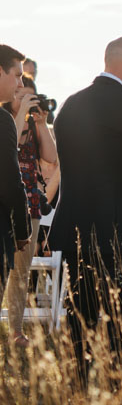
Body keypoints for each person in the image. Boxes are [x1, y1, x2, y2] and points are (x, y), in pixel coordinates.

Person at [50, 36, 122, 384]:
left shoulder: (70, 105)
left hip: (76, 229)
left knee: (78, 316)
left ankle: (78, 385)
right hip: (121, 233)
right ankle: (118, 391)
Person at [4, 72, 55, 345]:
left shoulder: (33, 124)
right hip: (4, 200)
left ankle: (15, 330)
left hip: (30, 203)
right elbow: (6, 147)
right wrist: (21, 111)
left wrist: (42, 123)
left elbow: (50, 157)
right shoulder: (5, 121)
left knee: (21, 269)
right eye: (22, 94)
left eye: (30, 96)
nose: (26, 99)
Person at [0, 46, 29, 288]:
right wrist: (22, 230)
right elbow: (10, 180)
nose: (20, 84)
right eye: (17, 75)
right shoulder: (2, 120)